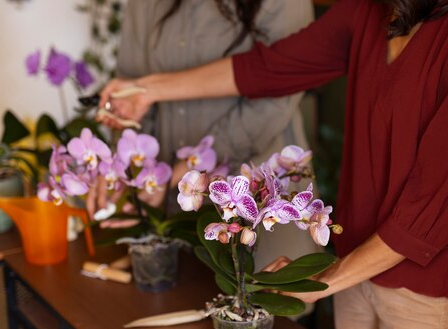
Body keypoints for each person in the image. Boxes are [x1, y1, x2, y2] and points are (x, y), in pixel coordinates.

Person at [97, 0, 448, 329]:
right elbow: (268, 68)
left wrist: (322, 279)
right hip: (357, 264)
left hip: (426, 285)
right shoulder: (373, 11)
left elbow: (430, 213)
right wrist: (147, 91)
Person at [91, 0, 320, 269]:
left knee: (257, 295)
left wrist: (194, 167)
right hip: (174, 195)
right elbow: (131, 87)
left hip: (257, 181)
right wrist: (136, 168)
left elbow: (280, 90)